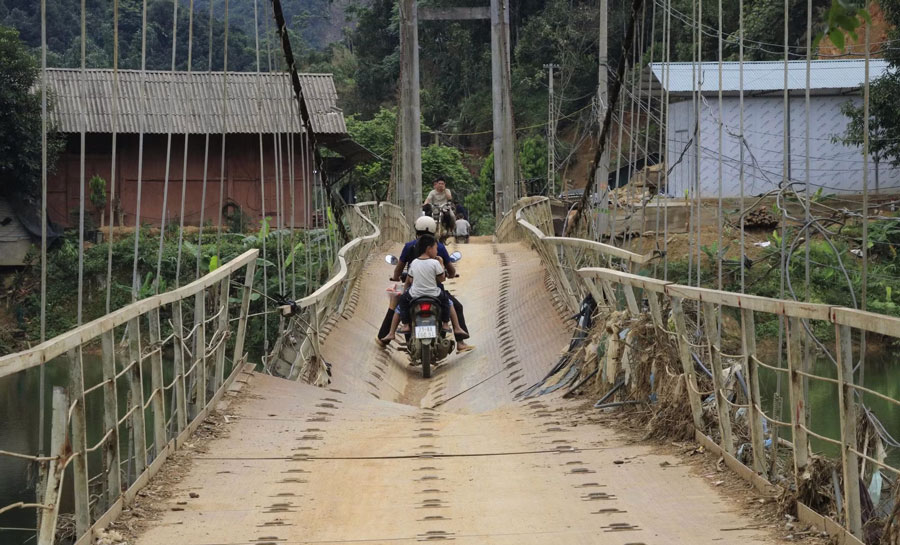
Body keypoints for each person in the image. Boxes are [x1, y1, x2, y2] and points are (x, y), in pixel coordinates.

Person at [377, 216, 473, 352]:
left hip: (413, 291)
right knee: (455, 306)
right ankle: (460, 341)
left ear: (416, 230)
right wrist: (448, 272)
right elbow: (448, 271)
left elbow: (399, 268)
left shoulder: (409, 247)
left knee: (398, 307)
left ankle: (385, 337)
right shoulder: (438, 247)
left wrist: (396, 277)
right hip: (435, 292)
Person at [380, 235, 455, 343]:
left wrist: (405, 290)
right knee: (448, 303)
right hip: (434, 295)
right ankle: (446, 324)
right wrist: (441, 264)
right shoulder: (435, 263)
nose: (437, 250)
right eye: (435, 248)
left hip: (415, 294)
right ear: (429, 248)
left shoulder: (414, 262)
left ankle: (398, 329)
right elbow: (442, 279)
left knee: (400, 307)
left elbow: (409, 280)